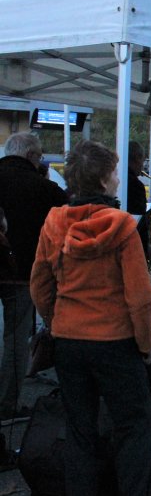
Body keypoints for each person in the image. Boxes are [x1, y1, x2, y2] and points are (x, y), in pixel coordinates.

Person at [29, 140, 151, 495]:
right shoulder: (122, 227)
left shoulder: (54, 222)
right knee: (134, 425)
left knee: (79, 430)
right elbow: (140, 297)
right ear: (103, 180)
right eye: (115, 172)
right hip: (115, 342)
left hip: (70, 341)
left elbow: (39, 285)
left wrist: (57, 321)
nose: (118, 179)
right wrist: (147, 343)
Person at [0, 132, 68, 425]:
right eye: (40, 156)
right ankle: (8, 405)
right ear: (31, 156)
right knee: (15, 338)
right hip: (20, 273)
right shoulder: (43, 187)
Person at [127, 141, 147, 216]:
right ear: (137, 158)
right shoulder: (136, 185)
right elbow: (140, 216)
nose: (142, 165)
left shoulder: (119, 177)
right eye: (143, 160)